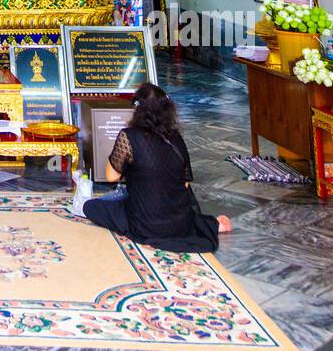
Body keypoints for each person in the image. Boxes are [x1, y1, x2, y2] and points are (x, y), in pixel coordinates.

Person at [82, 82, 232, 252]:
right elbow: (185, 184)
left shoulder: (129, 136)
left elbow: (111, 176)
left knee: (91, 207)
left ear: (138, 110)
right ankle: (212, 225)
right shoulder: (176, 139)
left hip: (145, 224)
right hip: (179, 224)